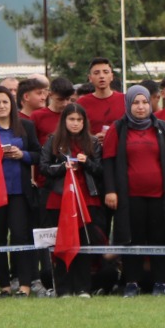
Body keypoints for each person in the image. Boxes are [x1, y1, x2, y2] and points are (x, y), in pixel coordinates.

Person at [102, 84, 165, 296]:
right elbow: (108, 161)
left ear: (151, 103)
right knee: (132, 240)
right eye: (136, 103)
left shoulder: (163, 128)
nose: (140, 107)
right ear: (128, 104)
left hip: (160, 196)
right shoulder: (117, 128)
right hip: (129, 197)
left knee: (159, 239)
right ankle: (131, 282)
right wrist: (110, 190)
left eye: (144, 102)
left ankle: (160, 283)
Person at [0, 85, 41, 297]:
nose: (2, 106)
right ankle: (4, 286)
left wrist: (22, 155)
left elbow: (38, 155)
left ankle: (24, 285)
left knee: (20, 236)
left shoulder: (25, 126)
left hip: (19, 192)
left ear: (12, 104)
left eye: (5, 102)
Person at [39, 102, 104, 298]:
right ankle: (63, 288)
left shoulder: (93, 142)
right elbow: (43, 168)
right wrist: (62, 168)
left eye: (79, 120)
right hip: (59, 199)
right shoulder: (53, 141)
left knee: (83, 244)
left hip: (86, 200)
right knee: (62, 244)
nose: (75, 124)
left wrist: (88, 163)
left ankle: (83, 287)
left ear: (84, 122)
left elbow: (101, 170)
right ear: (64, 120)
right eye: (71, 119)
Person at [77, 58, 126, 140]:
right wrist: (93, 139)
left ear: (111, 76)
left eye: (105, 72)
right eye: (96, 73)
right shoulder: (81, 103)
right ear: (90, 78)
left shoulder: (125, 100)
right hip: (92, 150)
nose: (101, 76)